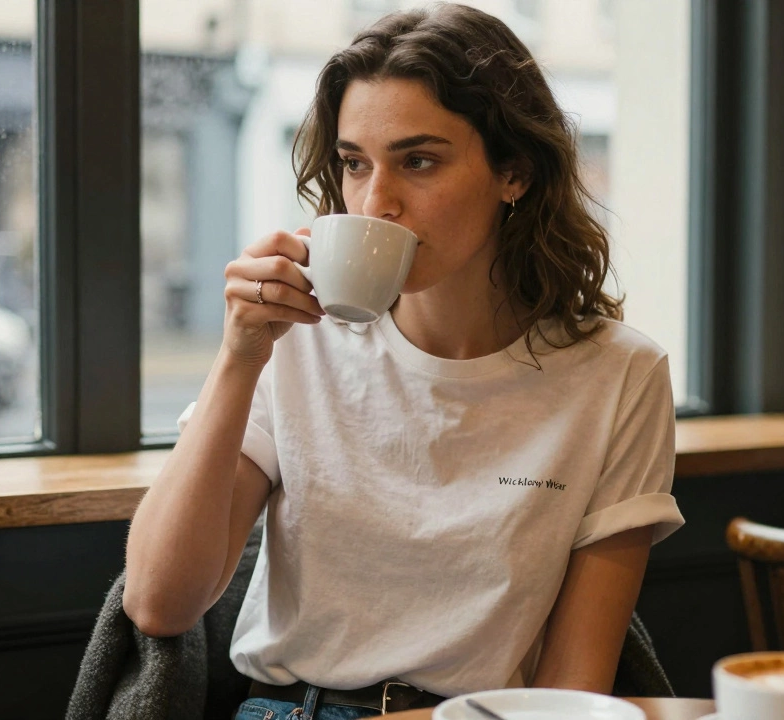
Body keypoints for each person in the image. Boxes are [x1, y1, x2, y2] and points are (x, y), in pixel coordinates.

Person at [123, 5, 685, 719]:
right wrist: (238, 358)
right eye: (354, 163)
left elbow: (571, 689)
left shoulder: (620, 377)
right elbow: (158, 604)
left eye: (418, 161)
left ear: (513, 172)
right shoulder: (295, 339)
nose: (374, 201)